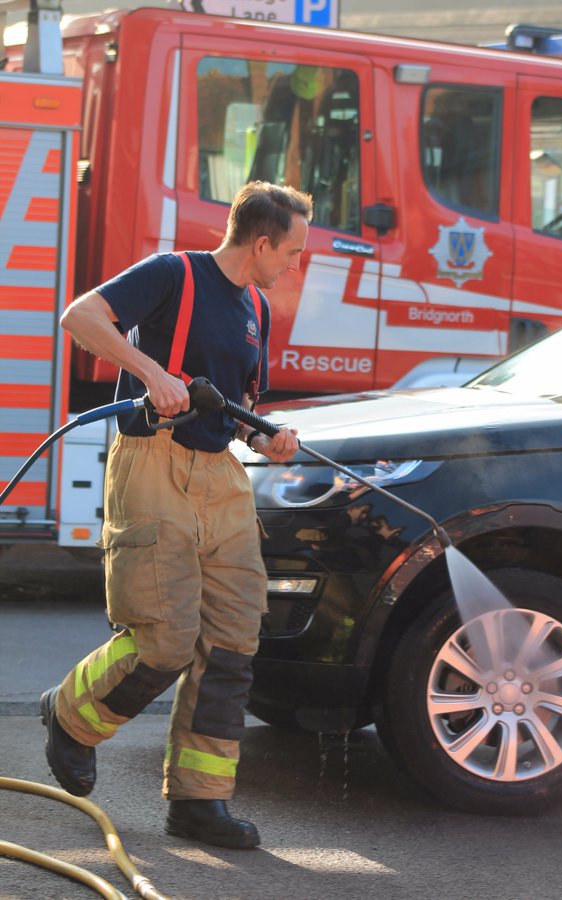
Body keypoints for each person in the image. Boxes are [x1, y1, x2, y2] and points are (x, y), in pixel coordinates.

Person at [40, 181, 313, 849]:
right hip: (154, 463)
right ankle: (70, 717)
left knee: (231, 641)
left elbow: (237, 408)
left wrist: (267, 437)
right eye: (294, 251)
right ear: (262, 243)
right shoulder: (174, 275)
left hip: (220, 478)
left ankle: (199, 803)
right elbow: (80, 317)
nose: (295, 264)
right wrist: (149, 370)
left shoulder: (256, 309)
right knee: (163, 639)